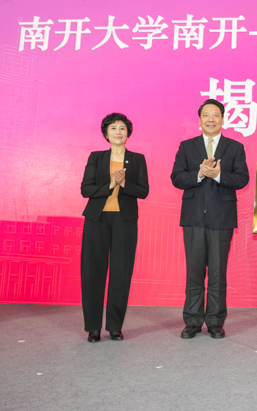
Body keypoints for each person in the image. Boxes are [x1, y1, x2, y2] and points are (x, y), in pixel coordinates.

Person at [171, 99, 249, 339]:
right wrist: (198, 174)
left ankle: (215, 321)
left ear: (223, 119)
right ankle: (193, 321)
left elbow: (242, 179)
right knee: (194, 271)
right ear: (200, 120)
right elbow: (176, 177)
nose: (211, 119)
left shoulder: (235, 147)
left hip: (222, 217)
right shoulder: (187, 146)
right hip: (193, 217)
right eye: (206, 115)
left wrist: (218, 175)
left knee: (217, 272)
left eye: (216, 115)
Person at [80, 113, 149, 342]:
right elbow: (86, 189)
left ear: (128, 133)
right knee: (93, 273)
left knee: (121, 273)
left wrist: (124, 183)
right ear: (106, 134)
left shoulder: (137, 159)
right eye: (113, 128)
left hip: (124, 221)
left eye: (122, 128)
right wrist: (111, 184)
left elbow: (143, 191)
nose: (118, 132)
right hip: (97, 220)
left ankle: (115, 327)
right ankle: (93, 327)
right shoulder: (96, 157)